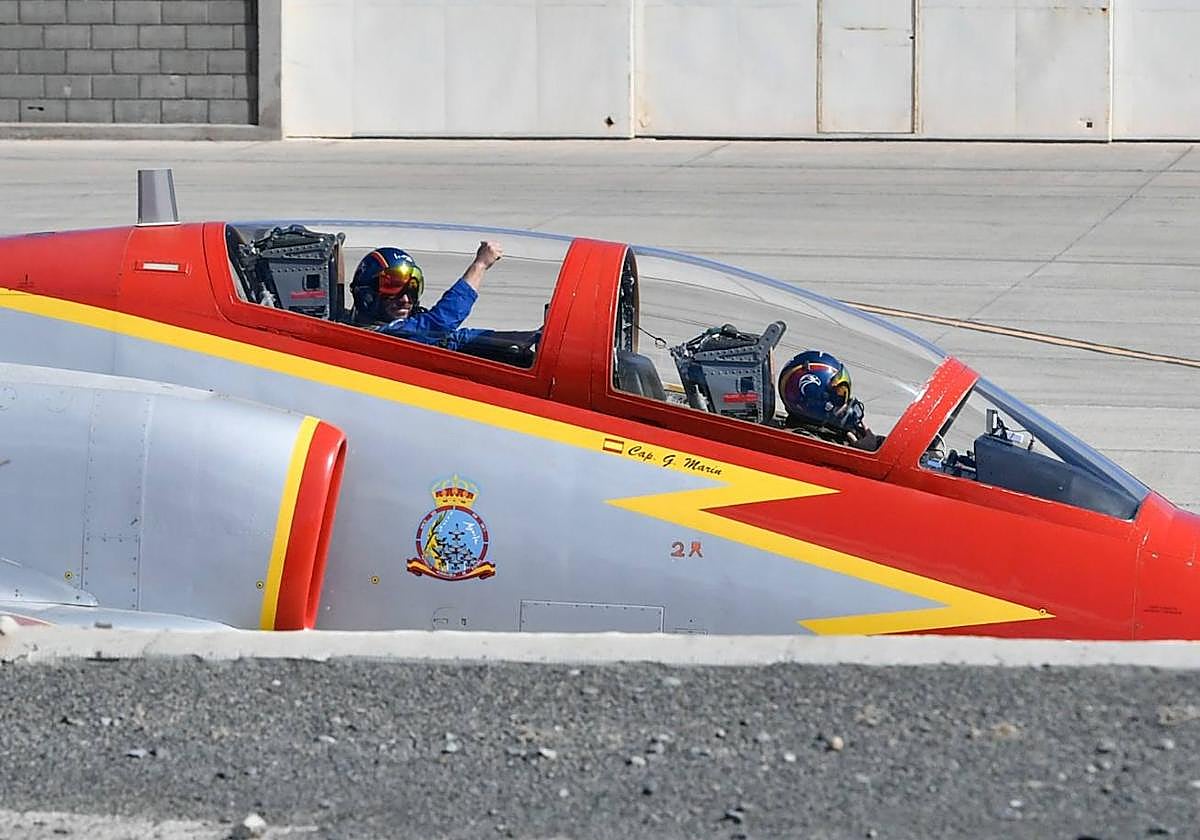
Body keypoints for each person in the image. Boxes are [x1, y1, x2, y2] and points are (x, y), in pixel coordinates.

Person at [350, 241, 504, 351]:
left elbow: (450, 339)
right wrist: (480, 265)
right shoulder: (383, 336)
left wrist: (510, 341)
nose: (405, 300)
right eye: (393, 289)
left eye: (412, 290)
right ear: (368, 295)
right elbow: (440, 323)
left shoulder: (409, 332)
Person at [777, 350, 882, 451]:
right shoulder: (805, 445)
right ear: (816, 404)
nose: (847, 404)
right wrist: (866, 453)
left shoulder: (828, 433)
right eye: (840, 396)